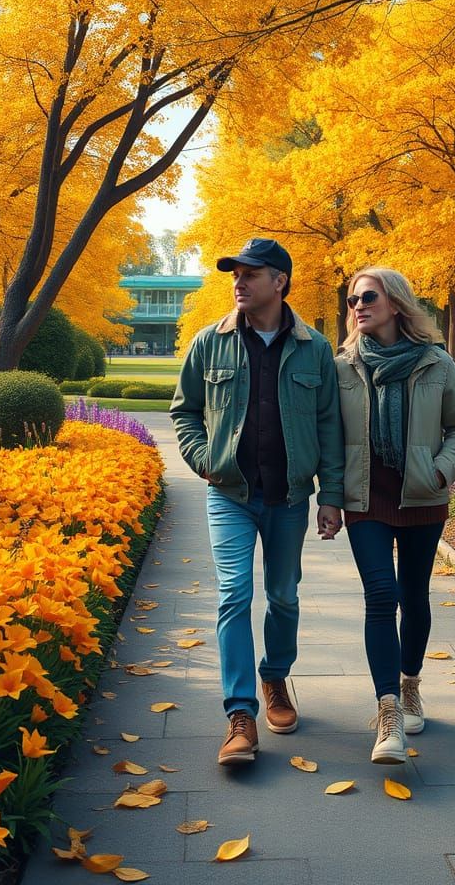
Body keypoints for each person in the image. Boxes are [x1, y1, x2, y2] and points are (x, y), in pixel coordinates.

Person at [170, 238, 344, 766]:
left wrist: (330, 497)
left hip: (290, 497)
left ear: (280, 282)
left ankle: (275, 678)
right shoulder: (210, 341)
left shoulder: (314, 348)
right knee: (233, 595)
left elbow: (330, 426)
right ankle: (240, 714)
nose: (238, 282)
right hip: (230, 495)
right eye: (235, 274)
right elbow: (185, 412)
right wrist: (205, 460)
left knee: (284, 596)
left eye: (250, 273)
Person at [335, 268, 455, 764]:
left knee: (414, 596)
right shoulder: (345, 366)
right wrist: (330, 496)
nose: (357, 304)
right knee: (381, 595)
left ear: (395, 303)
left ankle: (410, 683)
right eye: (352, 298)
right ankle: (389, 711)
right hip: (365, 497)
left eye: (367, 296)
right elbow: (331, 438)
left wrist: (439, 473)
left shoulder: (436, 363)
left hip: (421, 495)